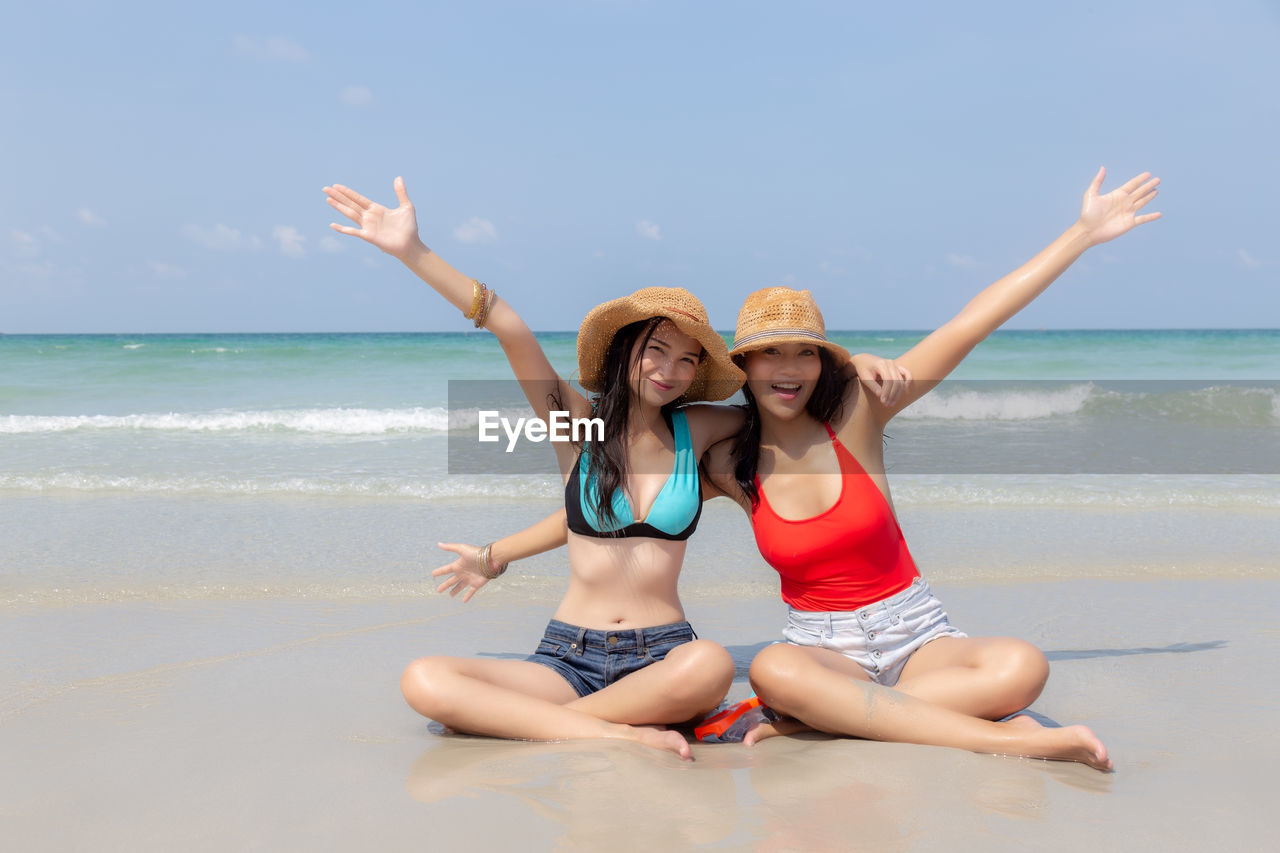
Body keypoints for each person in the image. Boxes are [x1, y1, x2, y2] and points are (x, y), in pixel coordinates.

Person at [448, 168, 1160, 769]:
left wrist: (1081, 235)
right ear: (745, 366)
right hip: (819, 653)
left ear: (824, 360)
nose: (788, 368)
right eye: (770, 353)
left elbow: (971, 323)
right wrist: (497, 552)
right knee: (773, 671)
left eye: (805, 352)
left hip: (919, 636)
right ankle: (1003, 741)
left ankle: (827, 719)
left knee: (1022, 666)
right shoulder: (730, 455)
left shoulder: (860, 413)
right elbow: (612, 505)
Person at [324, 177, 755, 760]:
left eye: (686, 359)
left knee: (712, 665)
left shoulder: (699, 429)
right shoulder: (577, 424)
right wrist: (412, 251)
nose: (669, 369)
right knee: (423, 677)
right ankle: (612, 731)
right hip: (567, 657)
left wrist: (851, 371)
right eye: (656, 348)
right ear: (624, 349)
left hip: (665, 656)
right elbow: (506, 324)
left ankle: (538, 724)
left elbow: (784, 408)